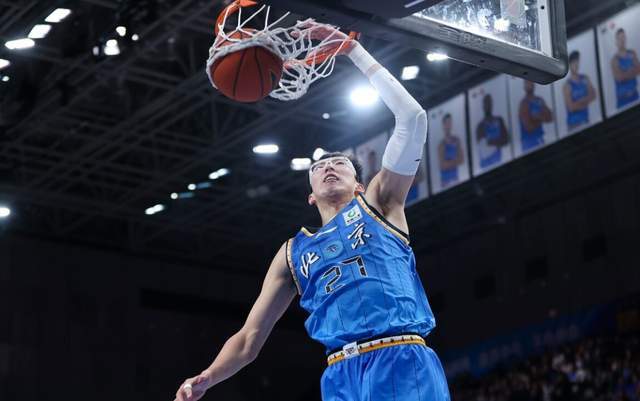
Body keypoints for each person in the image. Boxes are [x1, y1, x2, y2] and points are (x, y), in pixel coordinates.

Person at [174, 23, 450, 401]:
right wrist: (208, 377)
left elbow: (413, 118)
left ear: (359, 185)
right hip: (339, 375)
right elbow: (249, 338)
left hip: (400, 356)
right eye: (319, 167)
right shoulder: (293, 253)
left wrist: (352, 51)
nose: (329, 166)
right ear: (310, 196)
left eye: (340, 163)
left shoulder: (380, 204)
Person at [563, 50, 597, 130]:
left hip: (586, 120)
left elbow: (594, 95)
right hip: (574, 124)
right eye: (573, 62)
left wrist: (579, 102)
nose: (576, 65)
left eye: (577, 62)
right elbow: (571, 107)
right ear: (569, 65)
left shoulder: (585, 78)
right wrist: (586, 100)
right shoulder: (567, 85)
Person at [475, 94, 509, 170]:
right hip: (485, 167)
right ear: (483, 106)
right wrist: (498, 141)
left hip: (499, 162)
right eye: (486, 103)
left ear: (492, 104)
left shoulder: (499, 120)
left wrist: (490, 142)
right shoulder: (480, 126)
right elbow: (483, 148)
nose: (488, 105)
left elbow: (506, 140)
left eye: (490, 102)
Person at [518, 80, 553, 152]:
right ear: (524, 86)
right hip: (528, 143)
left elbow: (550, 118)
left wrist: (536, 118)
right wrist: (541, 117)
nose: (529, 85)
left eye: (531, 82)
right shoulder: (523, 103)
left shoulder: (539, 100)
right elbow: (529, 127)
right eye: (527, 83)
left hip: (540, 139)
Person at [611, 28, 640, 109]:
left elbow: (639, 70)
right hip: (623, 100)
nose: (622, 40)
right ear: (616, 42)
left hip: (635, 96)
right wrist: (632, 71)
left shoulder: (632, 53)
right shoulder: (614, 60)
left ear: (626, 38)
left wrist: (625, 73)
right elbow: (620, 78)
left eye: (623, 37)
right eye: (619, 38)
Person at [437, 113, 464, 188]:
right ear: (443, 125)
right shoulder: (441, 145)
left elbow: (461, 160)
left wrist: (449, 162)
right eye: (447, 123)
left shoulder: (456, 140)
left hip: (456, 179)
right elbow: (442, 165)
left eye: (450, 123)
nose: (448, 125)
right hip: (445, 182)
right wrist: (455, 161)